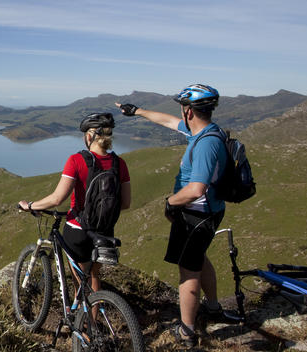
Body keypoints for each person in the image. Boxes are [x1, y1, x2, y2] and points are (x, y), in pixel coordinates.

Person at [115, 84, 237, 347]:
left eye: (182, 108)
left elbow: (195, 189)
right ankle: (213, 308)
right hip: (206, 212)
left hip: (196, 216)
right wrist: (136, 111)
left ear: (189, 111)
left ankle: (187, 331)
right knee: (199, 258)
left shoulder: (206, 144)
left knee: (188, 272)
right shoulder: (204, 131)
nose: (179, 114)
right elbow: (168, 122)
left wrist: (171, 202)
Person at [18, 112, 131, 299]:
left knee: (80, 282)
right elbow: (125, 203)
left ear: (89, 136)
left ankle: (81, 325)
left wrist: (30, 205)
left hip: (78, 230)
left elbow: (56, 199)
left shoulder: (77, 160)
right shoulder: (120, 164)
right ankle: (91, 325)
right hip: (104, 230)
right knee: (95, 277)